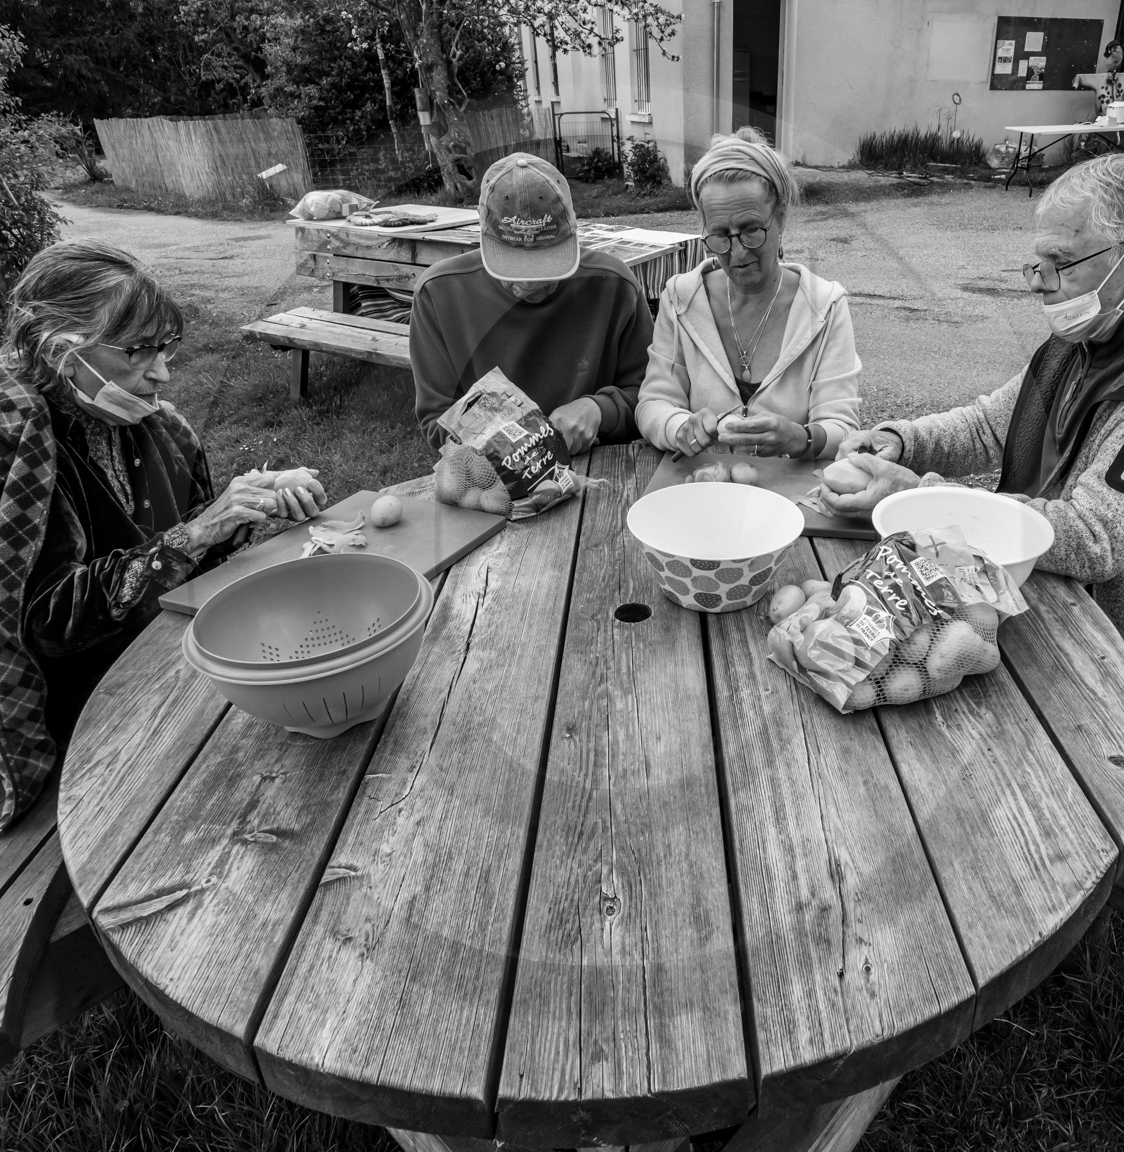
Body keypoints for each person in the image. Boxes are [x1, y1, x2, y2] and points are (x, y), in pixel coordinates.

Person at [822, 152, 1124, 706]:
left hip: (1108, 662)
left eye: (1060, 261)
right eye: (1038, 263)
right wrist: (900, 440)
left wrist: (916, 498)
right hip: (1016, 602)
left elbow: (1095, 536)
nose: (1038, 284)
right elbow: (988, 426)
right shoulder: (1084, 340)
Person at [0, 240, 328, 829]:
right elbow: (48, 622)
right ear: (60, 353)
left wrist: (238, 514)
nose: (162, 373)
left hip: (167, 663)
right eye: (138, 351)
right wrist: (198, 532)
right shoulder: (18, 444)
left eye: (165, 348)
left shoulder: (153, 428)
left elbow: (189, 564)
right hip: (84, 717)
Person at [635, 128, 860, 459]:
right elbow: (654, 403)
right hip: (704, 491)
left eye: (752, 230)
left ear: (780, 218)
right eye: (720, 235)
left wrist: (800, 438)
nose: (738, 254)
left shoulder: (824, 308)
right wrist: (679, 427)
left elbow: (843, 428)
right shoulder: (682, 299)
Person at [408, 153, 653, 453]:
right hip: (490, 473)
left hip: (600, 461)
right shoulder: (438, 293)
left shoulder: (614, 284)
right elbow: (436, 419)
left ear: (573, 230)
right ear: (482, 230)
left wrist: (599, 410)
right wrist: (507, 438)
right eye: (511, 266)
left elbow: (651, 395)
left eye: (546, 264)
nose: (529, 283)